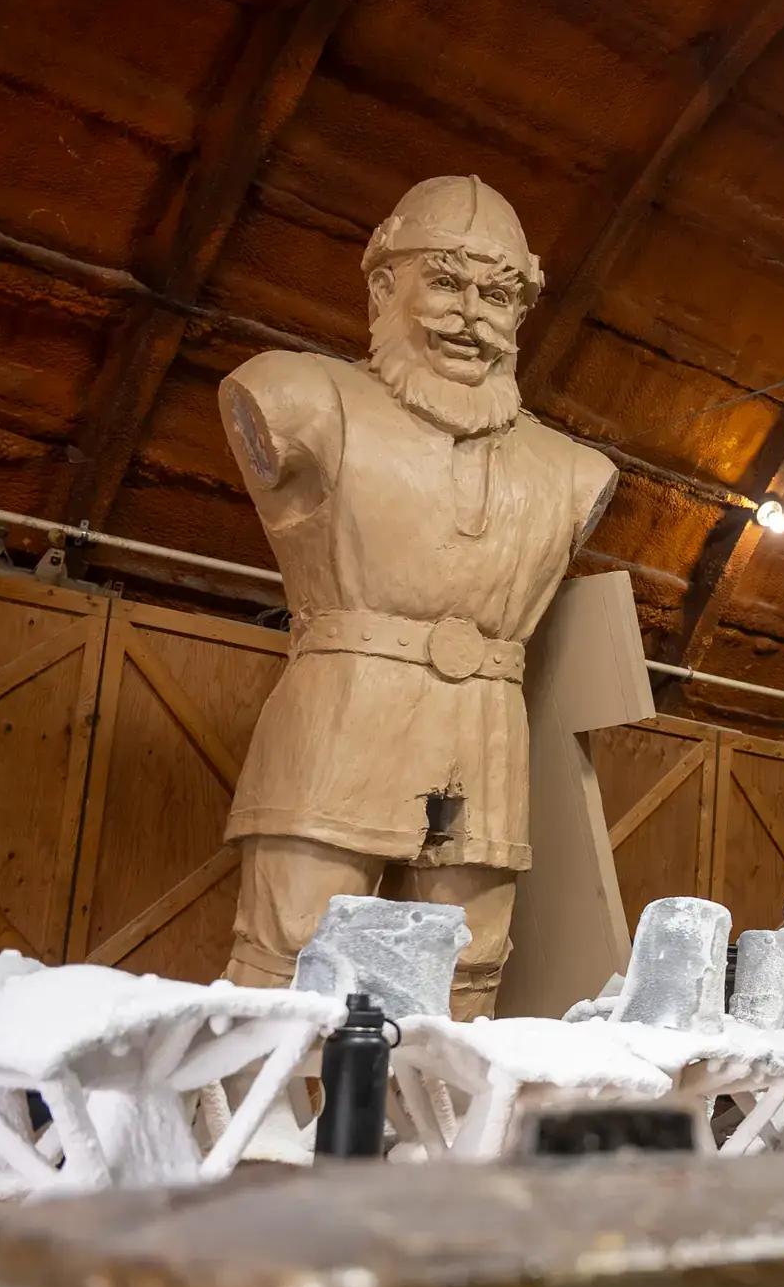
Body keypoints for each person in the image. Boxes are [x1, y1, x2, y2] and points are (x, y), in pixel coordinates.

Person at [216, 176, 617, 1020]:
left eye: (498, 294)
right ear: (381, 287)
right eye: (444, 281)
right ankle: (263, 1144)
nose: (471, 314)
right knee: (289, 960)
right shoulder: (303, 399)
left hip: (484, 737)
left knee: (464, 977)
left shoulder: (573, 470)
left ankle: (433, 1151)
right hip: (341, 719)